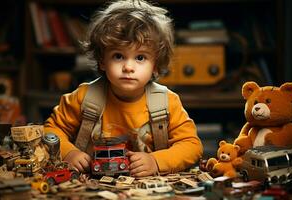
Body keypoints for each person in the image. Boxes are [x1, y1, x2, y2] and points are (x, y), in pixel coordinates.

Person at [44, 0, 203, 177]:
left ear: (156, 65)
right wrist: (69, 153)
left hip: (148, 188)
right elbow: (51, 130)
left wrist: (156, 161)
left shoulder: (166, 102)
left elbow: (191, 145)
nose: (128, 67)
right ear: (102, 61)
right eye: (118, 56)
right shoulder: (84, 97)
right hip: (92, 183)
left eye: (140, 57)